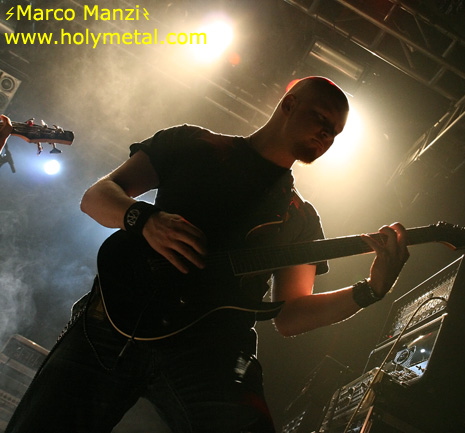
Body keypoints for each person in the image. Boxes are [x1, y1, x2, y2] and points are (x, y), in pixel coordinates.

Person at [3, 76, 409, 432]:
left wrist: (370, 290)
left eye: (335, 132)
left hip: (212, 356)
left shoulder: (299, 217)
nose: (327, 135)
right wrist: (144, 219)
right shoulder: (192, 143)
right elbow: (97, 197)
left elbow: (290, 316)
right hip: (116, 324)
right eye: (321, 118)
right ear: (289, 104)